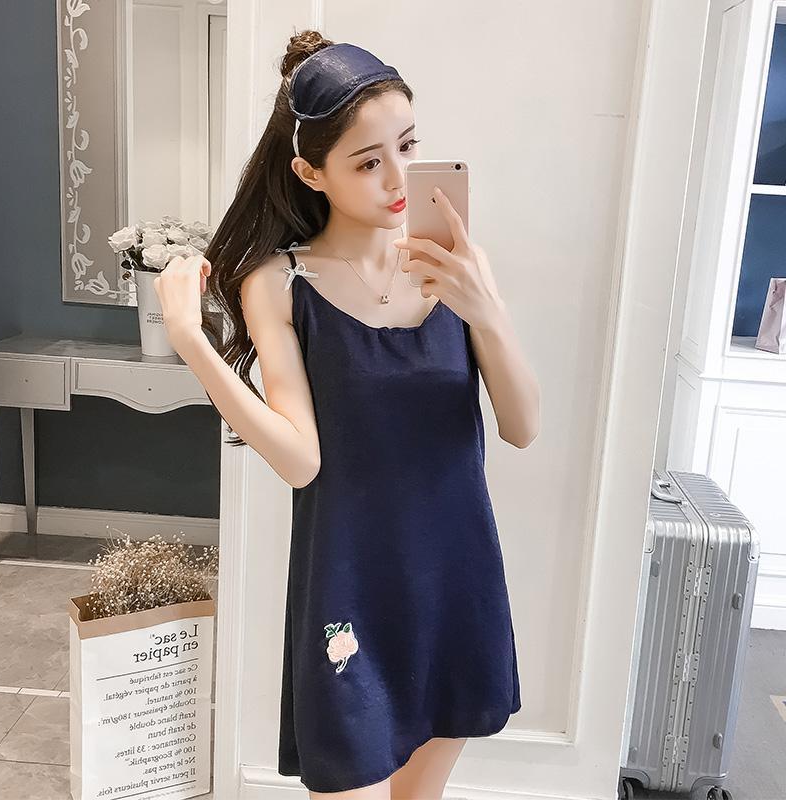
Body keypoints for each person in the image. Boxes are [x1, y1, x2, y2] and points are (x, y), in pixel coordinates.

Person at [154, 29, 540, 800]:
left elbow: (522, 426)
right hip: (350, 588)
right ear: (311, 172)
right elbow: (301, 461)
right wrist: (191, 342)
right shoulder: (278, 283)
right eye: (367, 162)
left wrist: (486, 312)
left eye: (408, 146)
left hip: (455, 579)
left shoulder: (456, 268)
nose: (398, 179)